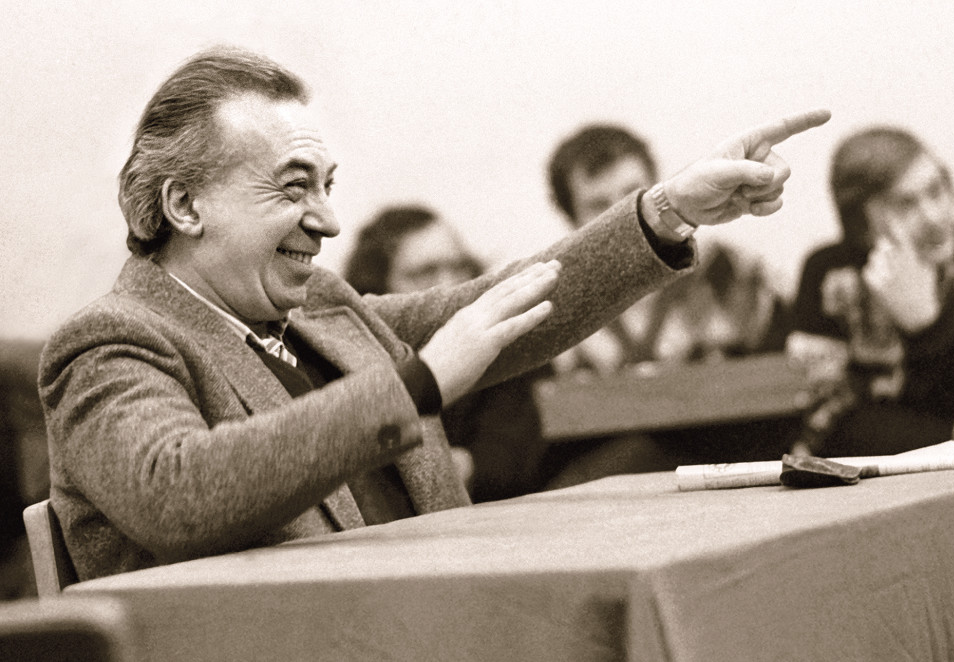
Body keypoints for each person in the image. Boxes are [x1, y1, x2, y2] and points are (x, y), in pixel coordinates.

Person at [37, 45, 829, 581]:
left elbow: (507, 307)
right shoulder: (111, 341)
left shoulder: (322, 306)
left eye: (328, 186)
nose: (328, 221)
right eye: (293, 187)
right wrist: (416, 387)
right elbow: (178, 492)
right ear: (184, 205)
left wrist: (664, 212)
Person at [788, 125, 954, 458]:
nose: (934, 216)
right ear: (860, 221)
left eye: (936, 190)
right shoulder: (828, 273)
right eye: (905, 204)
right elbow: (825, 424)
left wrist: (927, 327)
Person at [344, 205, 558, 502]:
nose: (449, 285)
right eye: (424, 273)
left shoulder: (508, 341)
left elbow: (518, 458)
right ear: (378, 286)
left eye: (459, 267)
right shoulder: (350, 359)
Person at [547, 123, 792, 374]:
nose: (621, 215)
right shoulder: (556, 308)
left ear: (657, 191)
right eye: (598, 205)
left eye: (631, 195)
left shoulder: (729, 270)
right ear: (572, 219)